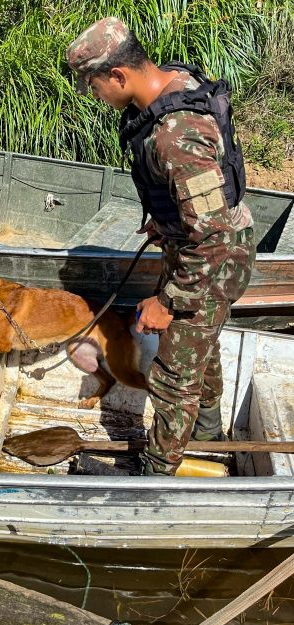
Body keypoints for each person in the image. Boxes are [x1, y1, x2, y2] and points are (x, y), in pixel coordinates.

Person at [66, 17, 256, 475]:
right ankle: (208, 438)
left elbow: (212, 235)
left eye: (94, 88)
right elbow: (201, 205)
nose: (98, 99)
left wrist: (168, 302)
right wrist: (168, 222)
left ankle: (154, 478)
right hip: (197, 246)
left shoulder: (177, 134)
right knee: (199, 349)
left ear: (118, 75)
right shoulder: (172, 81)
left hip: (212, 260)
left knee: (173, 373)